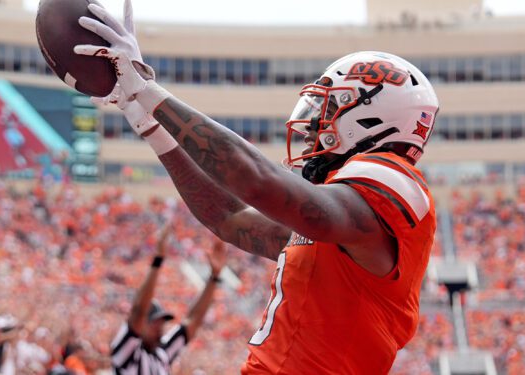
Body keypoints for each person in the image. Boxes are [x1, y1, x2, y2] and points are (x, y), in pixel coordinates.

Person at [78, 1, 439, 373]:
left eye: (329, 108)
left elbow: (257, 182)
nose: (312, 125)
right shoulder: (340, 226)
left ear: (370, 117)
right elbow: (229, 217)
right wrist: (146, 121)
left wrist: (149, 91)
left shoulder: (394, 180)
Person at [110, 225, 226, 374]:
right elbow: (138, 311)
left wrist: (214, 277)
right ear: (142, 324)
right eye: (154, 323)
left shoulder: (161, 355)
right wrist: (158, 260)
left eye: (161, 324)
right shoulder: (126, 351)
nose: (160, 329)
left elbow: (192, 320)